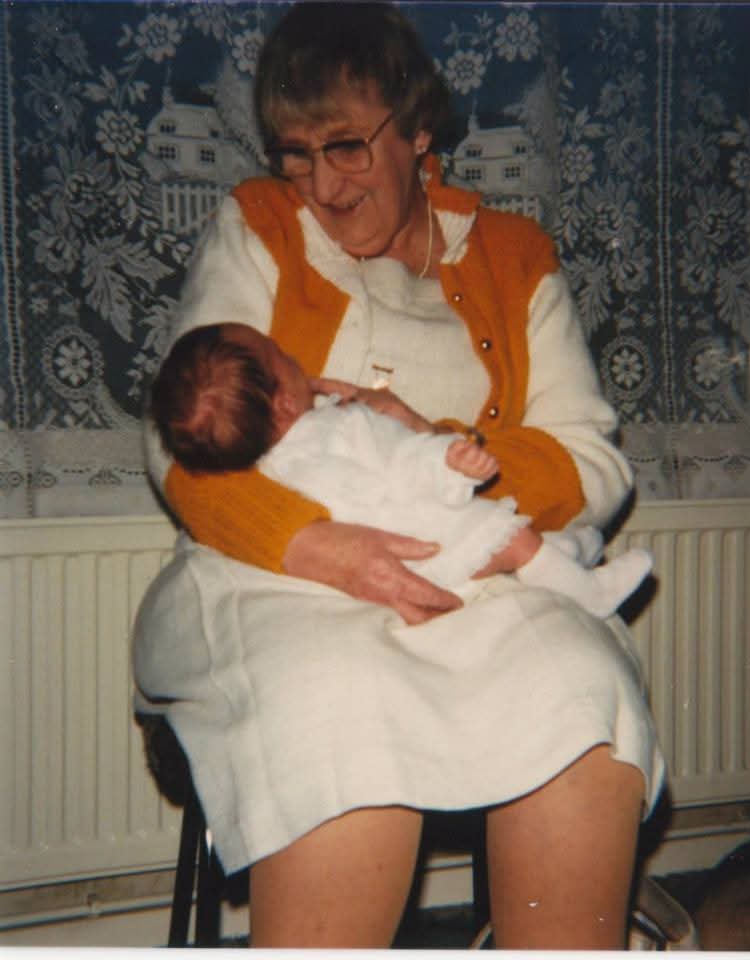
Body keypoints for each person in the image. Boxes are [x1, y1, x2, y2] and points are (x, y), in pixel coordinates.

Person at [133, 2, 665, 948]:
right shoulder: (260, 224)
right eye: (295, 154)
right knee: (342, 708)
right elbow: (183, 441)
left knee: (578, 693)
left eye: (343, 147)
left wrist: (440, 446)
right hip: (277, 573)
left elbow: (591, 462)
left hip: (475, 569)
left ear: (418, 131)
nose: (320, 185)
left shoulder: (513, 255)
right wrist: (322, 546)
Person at [151, 321, 654, 618]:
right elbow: (399, 459)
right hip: (425, 541)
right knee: (512, 538)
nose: (295, 357)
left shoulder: (268, 469)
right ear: (283, 403)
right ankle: (590, 593)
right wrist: (446, 457)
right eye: (284, 357)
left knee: (524, 550)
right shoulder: (342, 426)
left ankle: (566, 558)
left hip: (385, 573)